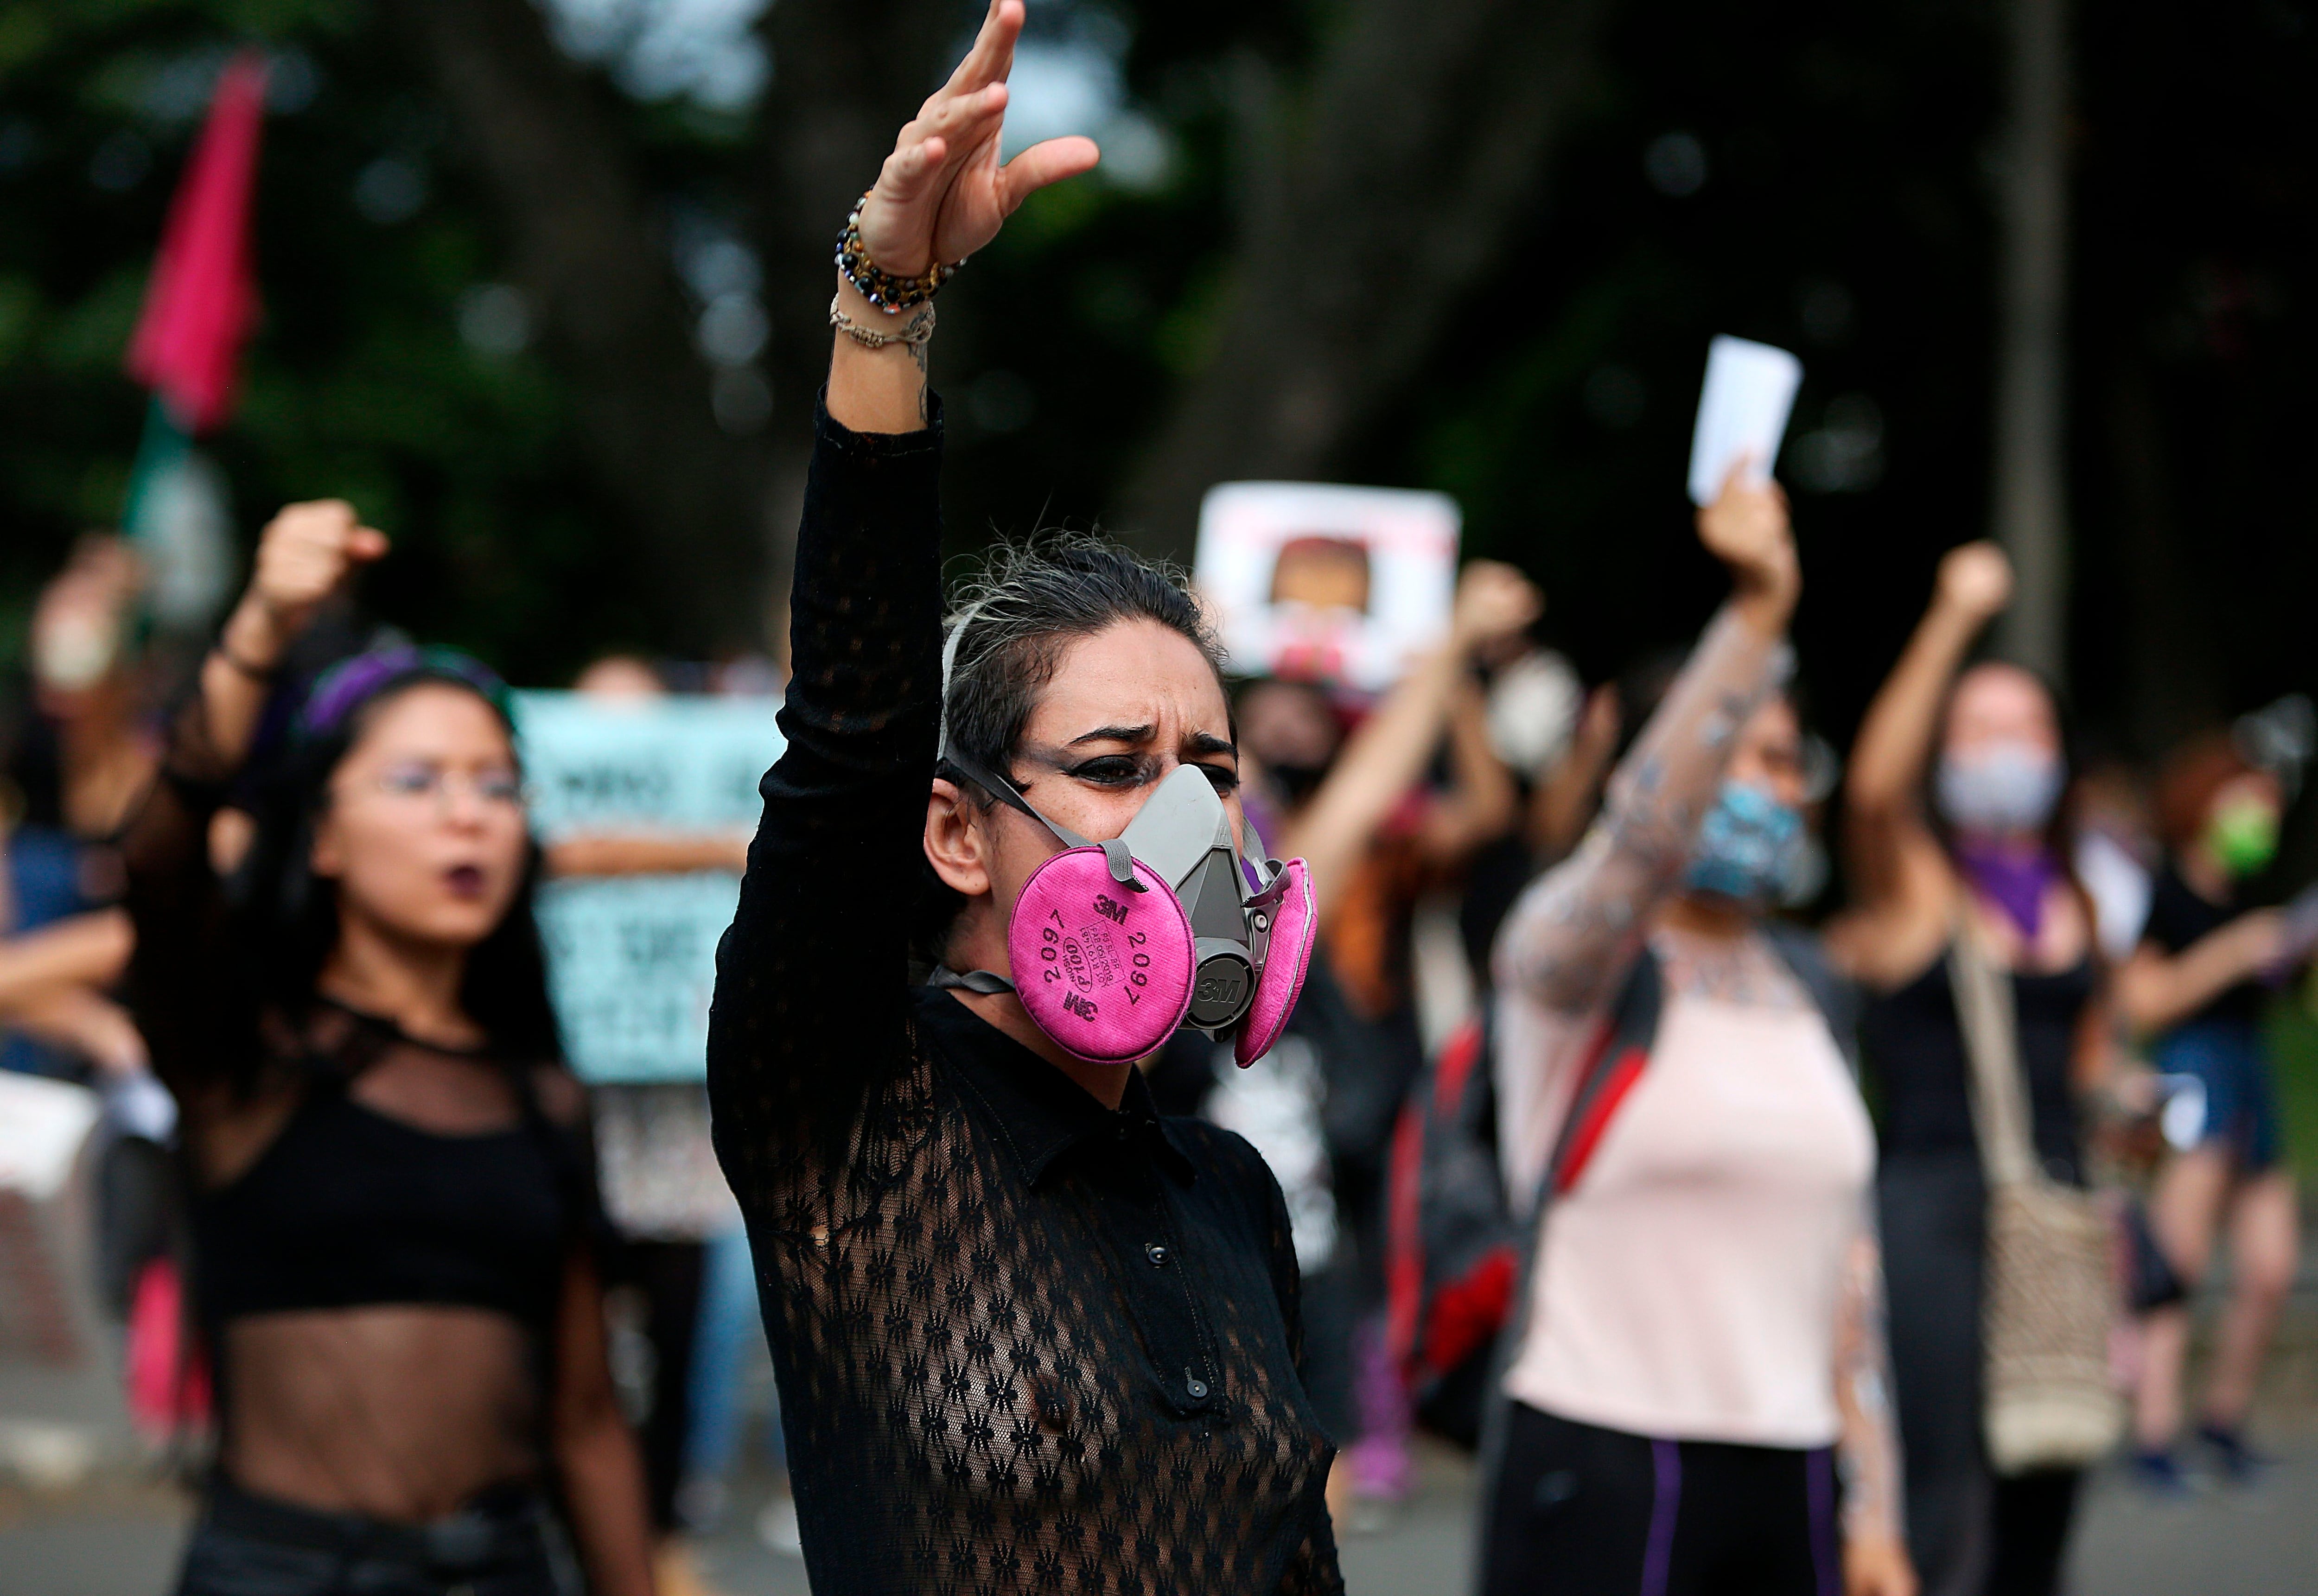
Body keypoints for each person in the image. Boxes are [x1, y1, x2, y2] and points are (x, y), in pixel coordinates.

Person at [705, 7, 1339, 1589]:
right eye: (1117, 769)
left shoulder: (1229, 1191)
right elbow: (846, 737)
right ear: (957, 827)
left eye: (1214, 774)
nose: (1190, 825)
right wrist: (885, 313)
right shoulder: (848, 1123)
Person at [123, 502, 655, 1596]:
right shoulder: (242, 1058)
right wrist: (262, 627)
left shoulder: (542, 1097)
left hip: (506, 1571)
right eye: (416, 782)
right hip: (277, 1574)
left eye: (495, 785)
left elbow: (587, 1420)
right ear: (320, 832)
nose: (467, 816)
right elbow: (163, 857)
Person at [1480, 468, 1913, 1596]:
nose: (1763, 785)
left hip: (1796, 1472)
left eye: (1781, 759)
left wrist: (1874, 1512)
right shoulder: (1566, 964)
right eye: (1732, 754)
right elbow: (1638, 843)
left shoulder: (1811, 983)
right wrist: (1757, 615)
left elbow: (1848, 1274)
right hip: (1603, 1459)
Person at [1827, 542, 2103, 1596]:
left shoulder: (2080, 893)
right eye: (1975, 727)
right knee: (1950, 1500)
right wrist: (1951, 617)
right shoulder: (1919, 888)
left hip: (2056, 1215)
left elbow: (2083, 1060)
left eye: (2024, 727)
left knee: (2049, 1485)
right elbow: (1868, 790)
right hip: (1935, 1213)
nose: (2004, 747)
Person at [2120, 730, 2309, 1488]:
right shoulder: (2163, 893)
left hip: (2251, 1070)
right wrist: (2233, 953)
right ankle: (2154, 1435)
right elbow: (2144, 1002)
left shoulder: (2256, 899)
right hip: (2192, 1069)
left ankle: (2224, 1419)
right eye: (2249, 800)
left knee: (2270, 1267)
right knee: (2181, 1260)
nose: (2262, 817)